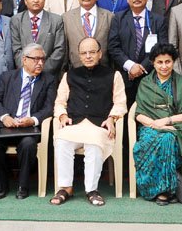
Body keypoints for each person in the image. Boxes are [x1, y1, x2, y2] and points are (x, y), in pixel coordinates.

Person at [50, 38, 127, 207]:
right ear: (79, 55)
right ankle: (65, 187)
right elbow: (59, 102)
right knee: (62, 140)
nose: (88, 56)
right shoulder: (69, 75)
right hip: (75, 124)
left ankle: (91, 190)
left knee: (94, 144)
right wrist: (62, 115)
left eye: (92, 52)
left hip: (99, 125)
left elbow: (120, 103)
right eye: (84, 53)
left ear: (100, 54)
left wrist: (112, 118)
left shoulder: (114, 75)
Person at [0, 44, 57, 199]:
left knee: (28, 145)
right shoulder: (7, 77)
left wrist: (33, 120)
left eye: (42, 59)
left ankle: (23, 186)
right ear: (24, 60)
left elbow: (49, 107)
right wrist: (5, 117)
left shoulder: (48, 79)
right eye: (36, 59)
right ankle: (1, 185)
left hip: (28, 128)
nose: (40, 63)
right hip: (5, 126)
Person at [133, 43, 182, 205]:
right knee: (151, 140)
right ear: (153, 63)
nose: (164, 66)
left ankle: (163, 192)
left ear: (173, 62)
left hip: (175, 128)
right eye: (159, 62)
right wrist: (156, 125)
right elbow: (139, 114)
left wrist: (167, 121)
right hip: (150, 127)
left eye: (167, 61)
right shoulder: (145, 83)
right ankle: (173, 182)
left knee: (167, 139)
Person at [108, 0, 167, 106]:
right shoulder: (118, 18)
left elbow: (161, 49)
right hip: (125, 78)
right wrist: (130, 66)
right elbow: (113, 47)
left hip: (151, 78)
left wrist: (142, 67)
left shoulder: (158, 20)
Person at [10, 0, 66, 75]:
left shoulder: (56, 20)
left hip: (48, 74)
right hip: (25, 74)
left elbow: (59, 50)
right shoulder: (16, 20)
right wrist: (28, 69)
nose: (36, 0)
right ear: (25, 0)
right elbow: (17, 50)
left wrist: (42, 69)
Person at [62, 0, 113, 68]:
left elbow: (113, 47)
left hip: (103, 72)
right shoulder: (66, 18)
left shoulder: (109, 17)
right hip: (76, 72)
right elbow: (65, 50)